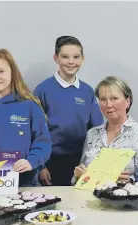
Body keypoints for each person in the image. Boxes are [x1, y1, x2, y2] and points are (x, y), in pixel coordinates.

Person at [0, 49, 51, 187]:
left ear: (12, 72)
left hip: (26, 182)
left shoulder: (30, 105)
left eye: (1, 71)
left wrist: (31, 162)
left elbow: (43, 143)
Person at [34, 36, 103, 186]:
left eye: (76, 57)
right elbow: (35, 131)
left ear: (83, 59)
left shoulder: (87, 91)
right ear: (56, 58)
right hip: (51, 162)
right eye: (65, 57)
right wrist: (41, 166)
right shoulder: (43, 90)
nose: (71, 62)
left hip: (82, 162)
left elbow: (97, 129)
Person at [72, 76, 138, 184]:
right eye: (103, 99)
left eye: (114, 98)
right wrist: (78, 176)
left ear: (127, 101)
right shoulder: (92, 134)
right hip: (89, 198)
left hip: (125, 198)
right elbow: (80, 179)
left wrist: (129, 181)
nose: (108, 105)